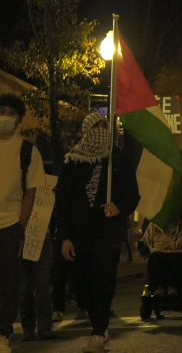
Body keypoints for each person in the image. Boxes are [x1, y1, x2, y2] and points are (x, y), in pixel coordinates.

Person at [55, 112, 140, 352]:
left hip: (107, 234)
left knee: (103, 281)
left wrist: (119, 207)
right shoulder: (72, 161)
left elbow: (133, 194)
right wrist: (65, 237)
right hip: (80, 235)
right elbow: (64, 202)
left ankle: (99, 331)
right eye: (96, 126)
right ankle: (98, 326)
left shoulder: (117, 160)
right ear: (85, 131)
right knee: (84, 284)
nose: (101, 129)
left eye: (105, 125)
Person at [0, 94, 46, 353]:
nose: (5, 116)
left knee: (9, 282)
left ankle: (3, 332)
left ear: (18, 118)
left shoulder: (27, 150)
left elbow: (31, 192)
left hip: (9, 225)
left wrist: (20, 225)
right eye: (1, 110)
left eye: (10, 112)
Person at [142, 220, 182, 298]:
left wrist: (165, 246)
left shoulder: (176, 227)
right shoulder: (152, 228)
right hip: (158, 252)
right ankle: (158, 287)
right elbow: (144, 240)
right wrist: (138, 244)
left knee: (176, 259)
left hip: (174, 252)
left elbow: (181, 242)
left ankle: (173, 286)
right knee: (154, 259)